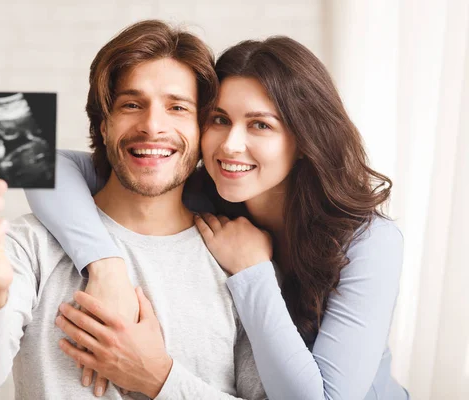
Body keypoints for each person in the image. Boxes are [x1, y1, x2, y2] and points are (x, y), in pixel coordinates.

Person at [26, 35, 410, 399]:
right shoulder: (202, 195)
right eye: (220, 120)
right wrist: (105, 267)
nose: (230, 145)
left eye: (260, 124)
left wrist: (252, 271)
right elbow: (38, 160)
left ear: (306, 140)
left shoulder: (370, 242)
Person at [0, 20, 267, 400]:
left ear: (202, 128)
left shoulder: (235, 257)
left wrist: (160, 378)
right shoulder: (27, 245)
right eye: (131, 105)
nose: (152, 126)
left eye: (177, 107)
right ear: (104, 125)